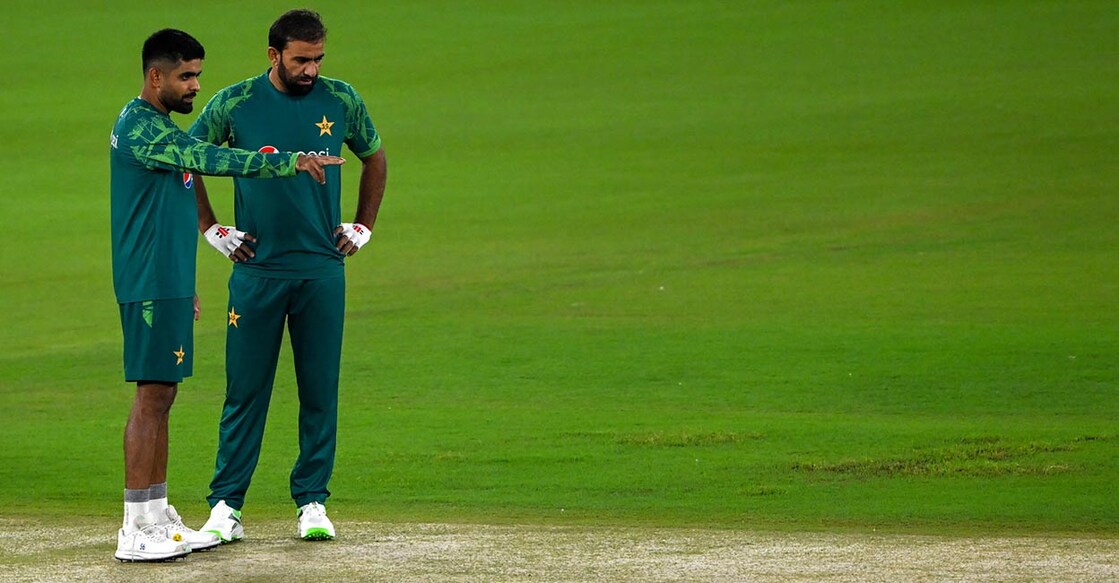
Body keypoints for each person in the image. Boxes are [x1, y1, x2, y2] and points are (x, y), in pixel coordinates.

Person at [110, 28, 345, 562]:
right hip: (148, 283)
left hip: (166, 281)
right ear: (155, 77)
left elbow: (170, 204)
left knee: (163, 396)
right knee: (150, 399)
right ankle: (135, 525)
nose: (196, 86)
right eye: (186, 76)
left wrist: (185, 283)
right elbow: (213, 158)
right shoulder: (143, 129)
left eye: (198, 74)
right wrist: (288, 162)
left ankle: (156, 510)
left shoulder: (158, 126)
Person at [190, 9, 387, 543]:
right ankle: (226, 506)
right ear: (274, 55)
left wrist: (363, 226)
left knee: (319, 389)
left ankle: (313, 502)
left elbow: (375, 157)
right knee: (245, 391)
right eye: (302, 60)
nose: (312, 70)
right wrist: (211, 228)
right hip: (257, 270)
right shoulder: (234, 103)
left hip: (322, 269)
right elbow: (188, 160)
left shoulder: (342, 99)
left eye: (319, 59)